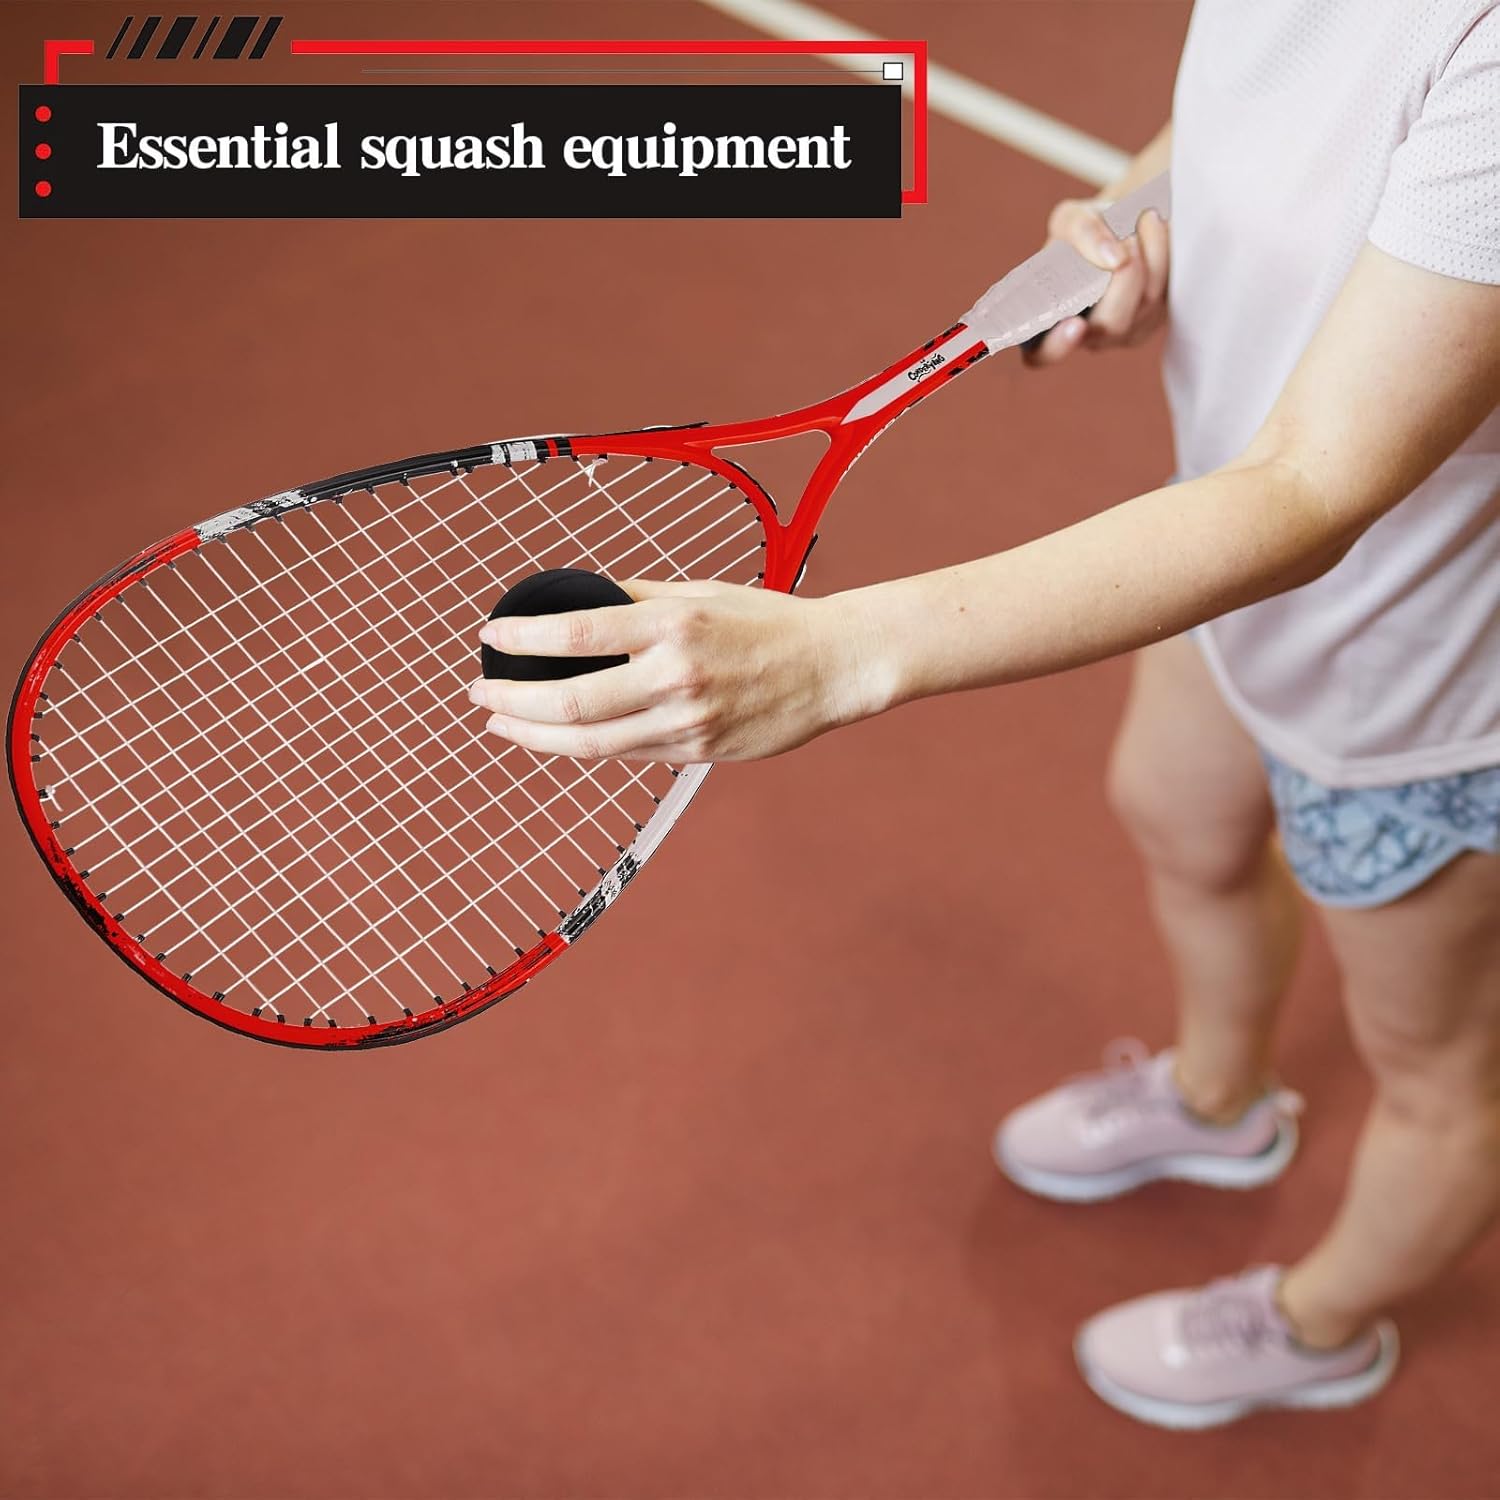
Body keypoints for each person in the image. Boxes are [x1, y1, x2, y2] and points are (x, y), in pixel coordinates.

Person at [468, 2, 1500, 1429]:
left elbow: (1313, 490)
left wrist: (839, 655)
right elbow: (1276, 110)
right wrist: (1141, 211)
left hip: (1427, 689)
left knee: (1440, 1075)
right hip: (1231, 560)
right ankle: (1220, 1103)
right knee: (1179, 821)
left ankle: (1322, 1322)